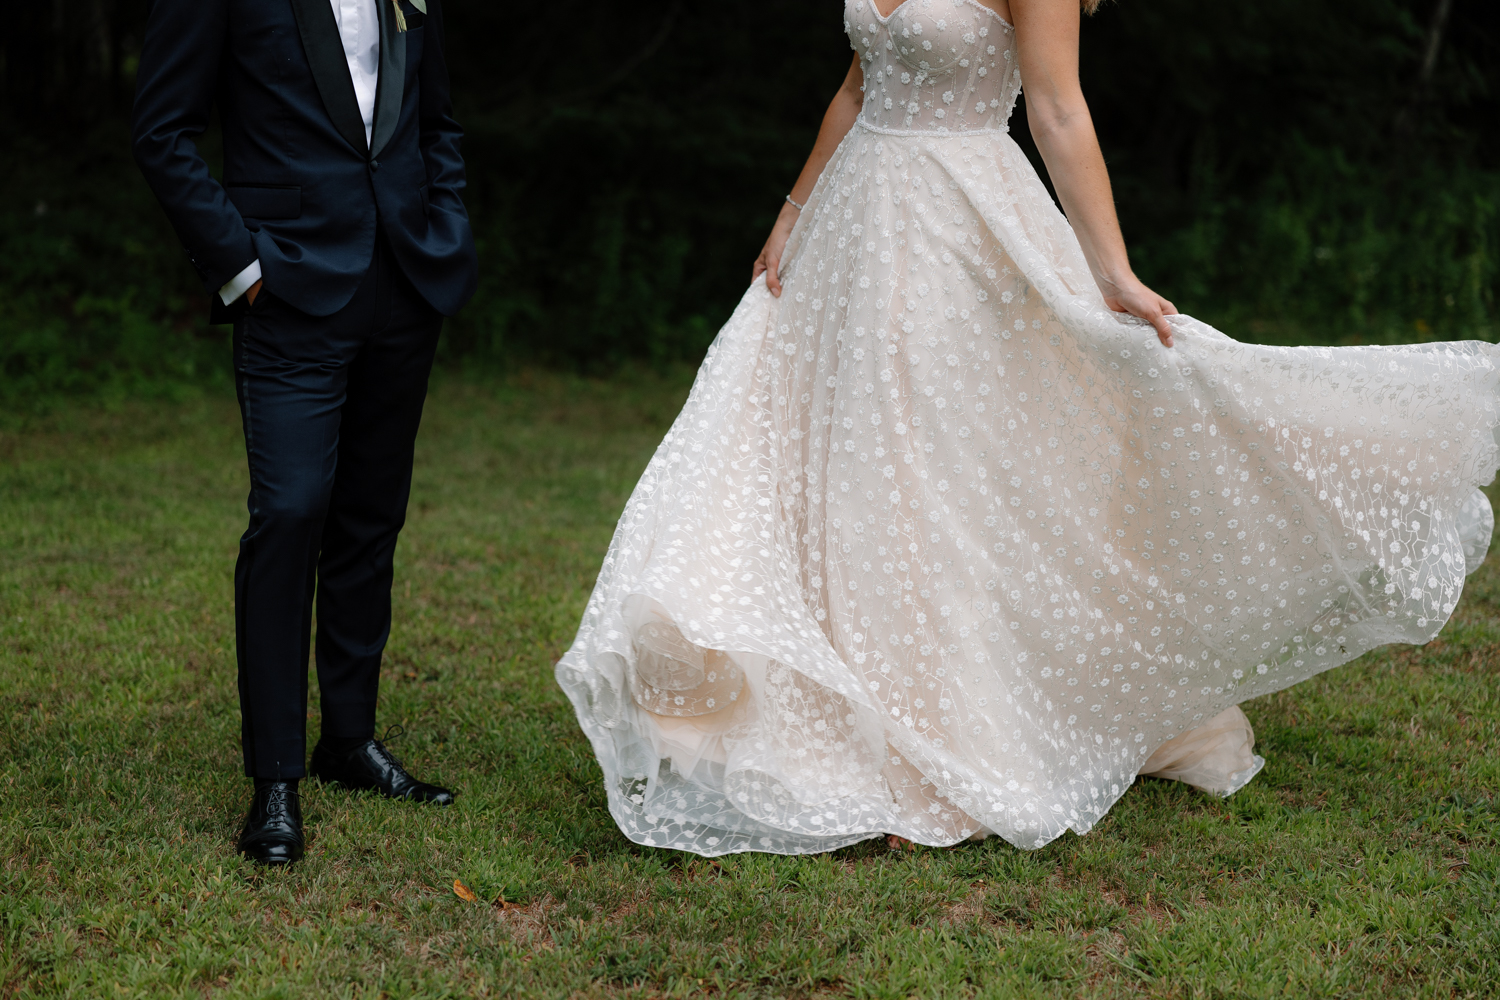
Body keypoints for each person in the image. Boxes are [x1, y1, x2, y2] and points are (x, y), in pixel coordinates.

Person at [556, 0, 1500, 855]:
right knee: (837, 465)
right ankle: (843, 709)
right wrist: (792, 213)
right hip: (856, 225)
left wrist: (1115, 272)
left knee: (930, 472)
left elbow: (1057, 108)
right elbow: (853, 87)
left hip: (963, 230)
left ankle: (945, 737)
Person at [132, 0, 478, 865]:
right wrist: (240, 268)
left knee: (370, 519)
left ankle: (349, 742)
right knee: (289, 514)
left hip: (404, 281)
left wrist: (446, 224)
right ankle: (275, 778)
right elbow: (162, 130)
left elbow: (435, 119)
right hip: (284, 285)